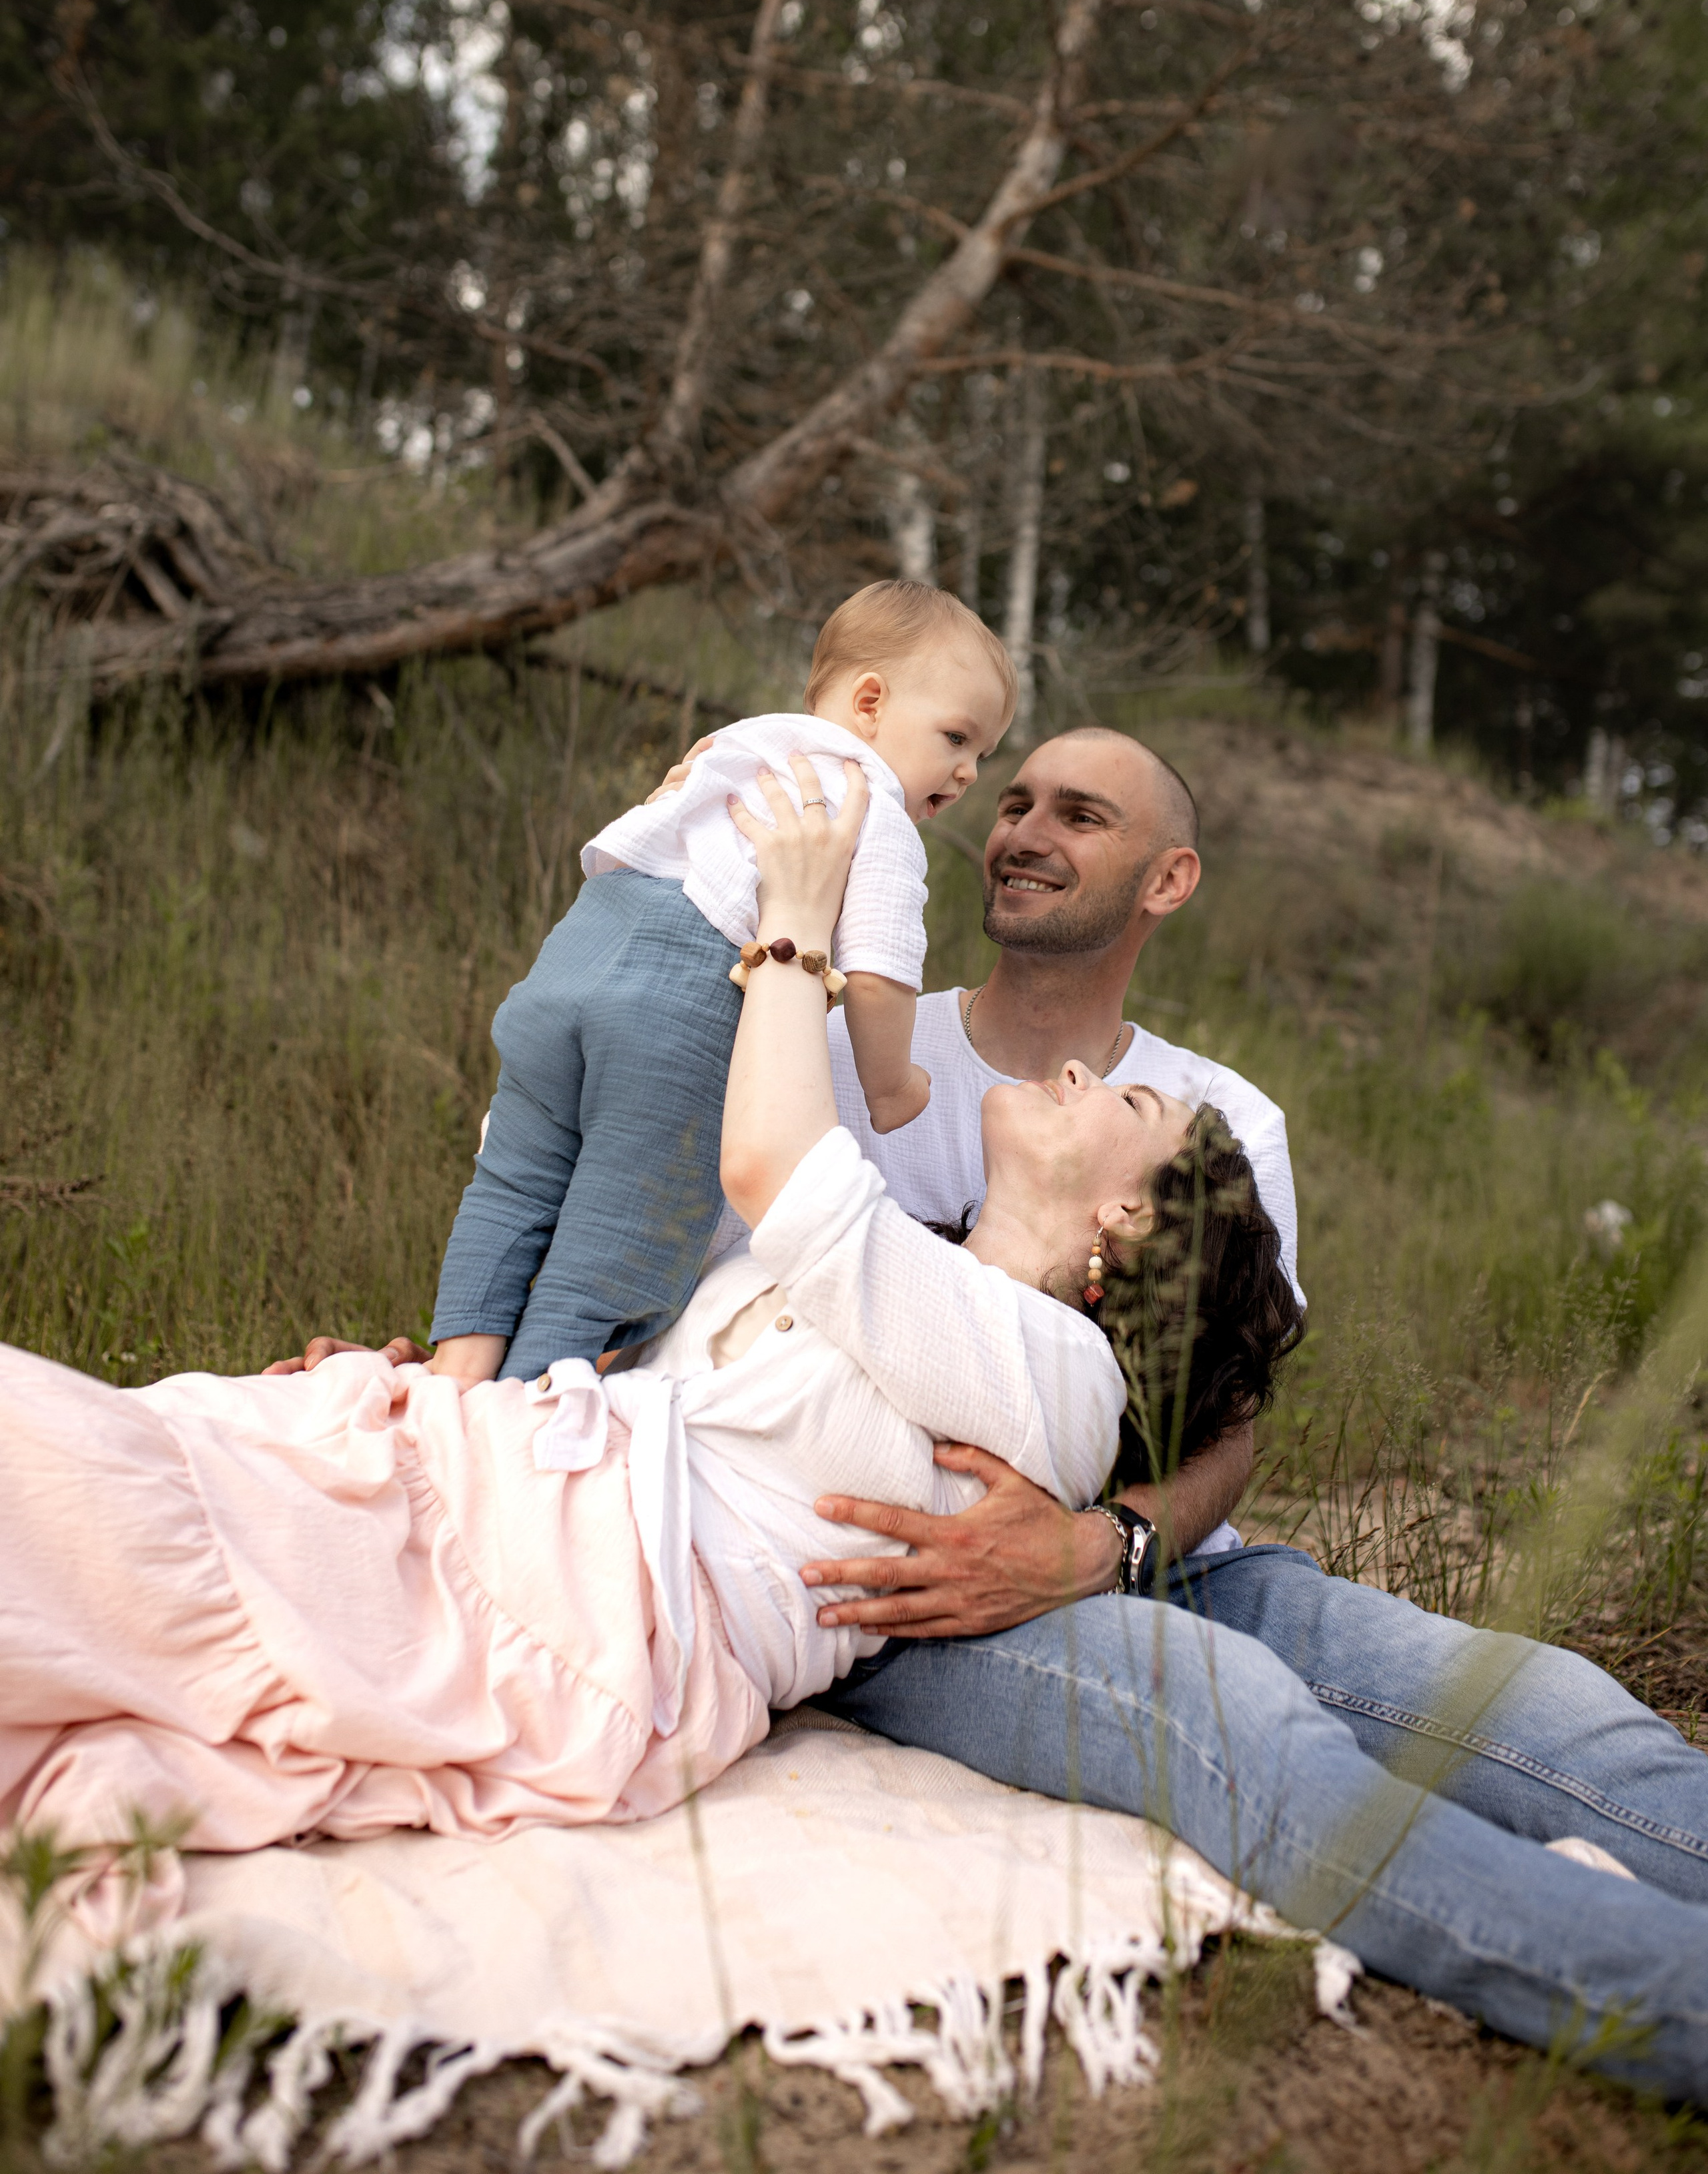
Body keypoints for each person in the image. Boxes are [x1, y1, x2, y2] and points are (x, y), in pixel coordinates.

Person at [272, 725, 1708, 2099]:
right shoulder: (845, 1037)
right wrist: (454, 1399)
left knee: (1544, 1714)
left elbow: (1226, 1420)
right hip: (895, 1577)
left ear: (1167, 879)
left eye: (1079, 815)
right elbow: (640, 1242)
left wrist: (1108, 1549)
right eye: (1012, 801)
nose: (1020, 831)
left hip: (1123, 1544)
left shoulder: (1214, 1117)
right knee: (1248, 1742)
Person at [1, 760, 1254, 1883]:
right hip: (530, 1509)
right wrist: (435, 1380)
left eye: (1129, 1107)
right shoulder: (909, 1268)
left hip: (587, 1603)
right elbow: (634, 1251)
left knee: (68, 1485)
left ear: (1131, 1231)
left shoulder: (1059, 1388)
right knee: (144, 1461)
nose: (1084, 1081)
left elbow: (773, 1166)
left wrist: (793, 925)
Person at [428, 582, 1015, 1387]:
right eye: (957, 737)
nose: (968, 771)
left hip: (567, 964)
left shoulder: (734, 747)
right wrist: (892, 1085)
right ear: (870, 702)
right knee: (622, 1232)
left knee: (513, 1183)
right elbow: (880, 977)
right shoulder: (865, 800)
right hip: (671, 1011)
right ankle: (524, 1407)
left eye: (982, 754)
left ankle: (453, 1374)